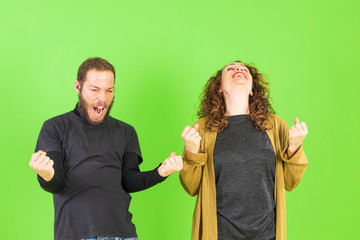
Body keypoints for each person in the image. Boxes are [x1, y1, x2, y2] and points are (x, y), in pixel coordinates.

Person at [29, 57, 183, 240]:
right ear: (78, 87)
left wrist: (161, 172)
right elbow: (57, 183)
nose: (102, 98)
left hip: (123, 235)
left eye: (109, 90)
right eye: (94, 90)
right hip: (75, 235)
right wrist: (46, 174)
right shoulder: (55, 127)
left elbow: (129, 181)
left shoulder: (126, 132)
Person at [180, 61, 309, 240]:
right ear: (219, 88)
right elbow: (191, 187)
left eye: (244, 69)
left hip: (267, 233)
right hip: (220, 233)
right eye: (231, 68)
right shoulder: (203, 128)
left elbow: (289, 182)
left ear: (252, 90)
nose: (239, 70)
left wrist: (294, 147)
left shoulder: (274, 125)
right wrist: (191, 152)